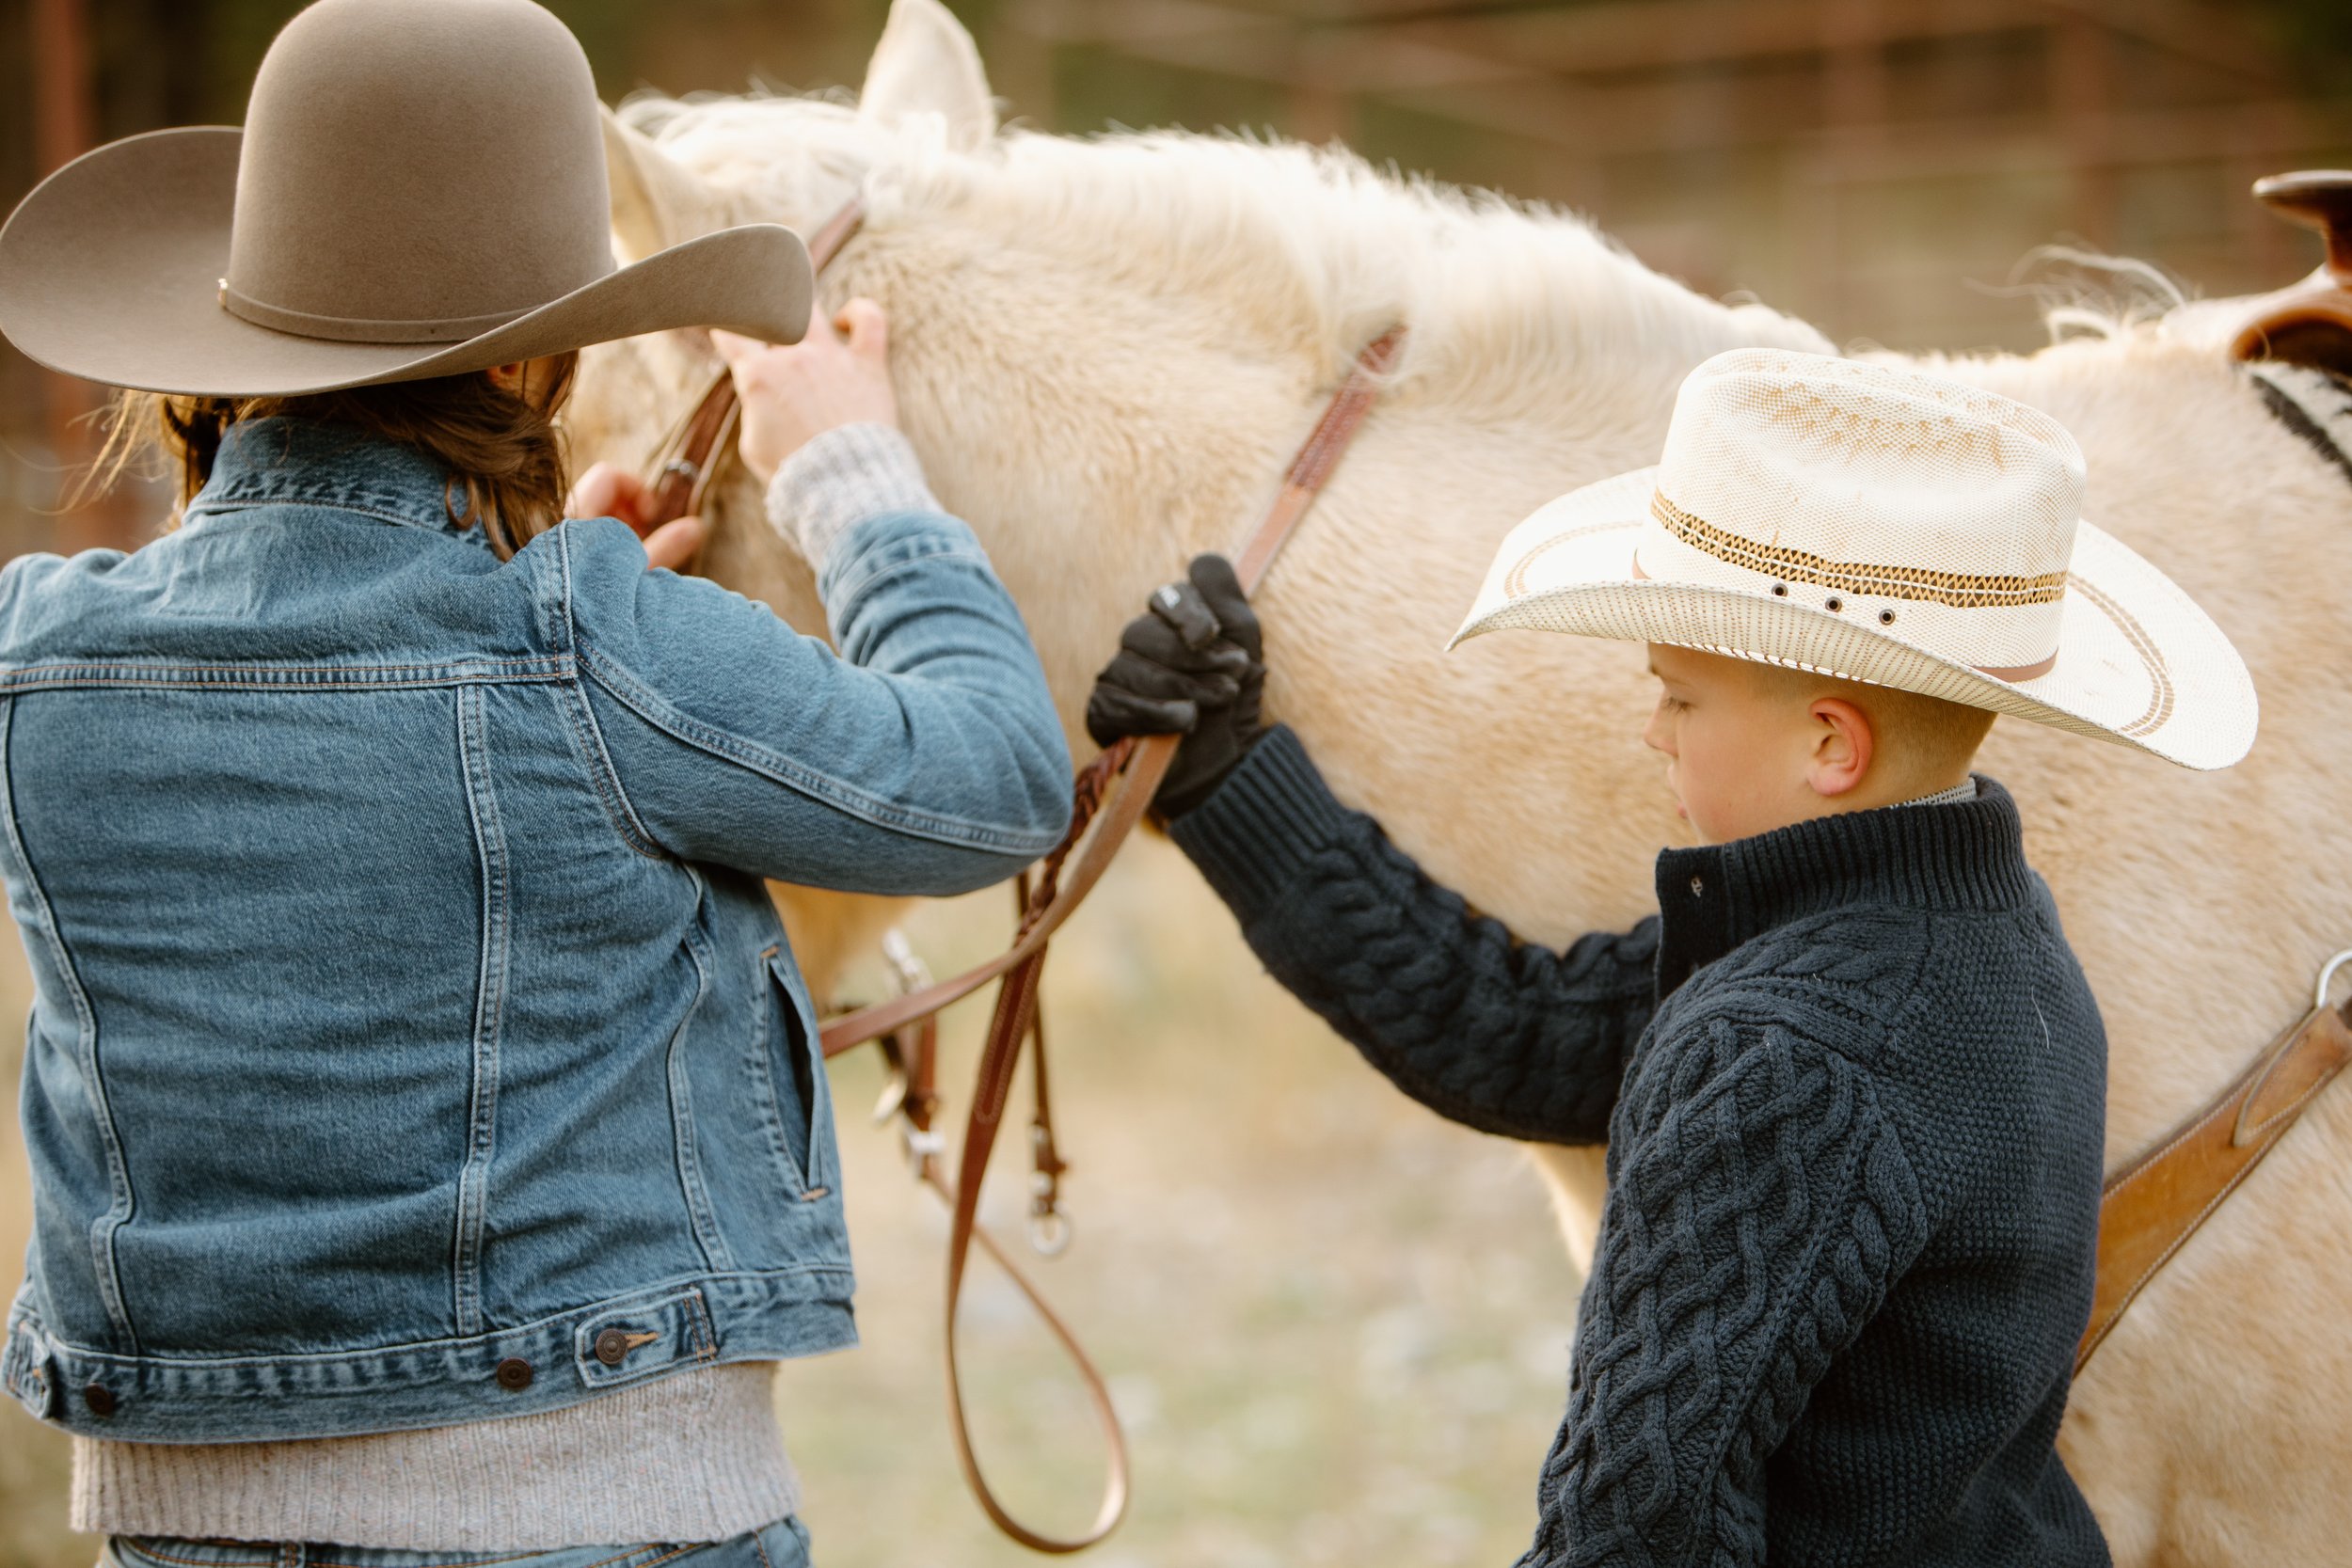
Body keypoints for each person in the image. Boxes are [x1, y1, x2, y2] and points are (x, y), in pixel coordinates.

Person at [0, 0, 1070, 1561]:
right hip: (606, 1519)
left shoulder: (37, 660)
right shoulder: (592, 641)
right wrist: (855, 473)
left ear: (221, 345)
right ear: (542, 362)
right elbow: (996, 775)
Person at [1087, 348, 2256, 1566]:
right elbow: (1516, 1037)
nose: (1654, 728)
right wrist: (1230, 774)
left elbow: (1633, 1531)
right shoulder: (1993, 936)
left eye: (1682, 697)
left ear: (1829, 747)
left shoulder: (1780, 1046)